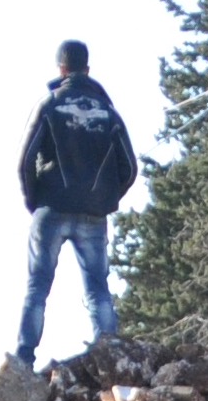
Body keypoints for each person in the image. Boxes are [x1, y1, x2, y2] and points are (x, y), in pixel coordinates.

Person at [13, 38, 137, 366]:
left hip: (51, 209)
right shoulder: (108, 112)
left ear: (62, 69)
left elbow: (24, 161)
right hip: (94, 215)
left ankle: (24, 360)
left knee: (37, 287)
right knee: (97, 289)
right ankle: (111, 355)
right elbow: (130, 168)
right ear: (88, 69)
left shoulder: (49, 104)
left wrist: (34, 201)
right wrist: (106, 198)